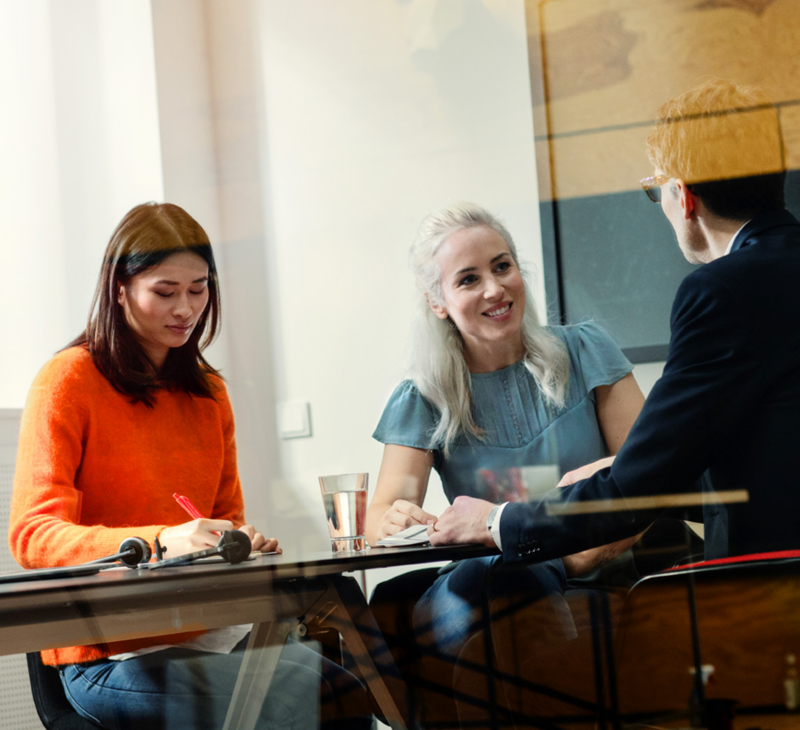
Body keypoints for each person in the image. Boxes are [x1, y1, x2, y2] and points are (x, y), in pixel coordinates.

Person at [8, 203, 371, 730]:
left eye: (198, 289)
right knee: (288, 698)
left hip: (209, 633)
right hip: (108, 658)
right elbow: (33, 535)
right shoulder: (67, 381)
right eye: (165, 291)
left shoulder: (208, 394)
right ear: (119, 287)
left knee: (342, 692)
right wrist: (163, 541)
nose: (185, 308)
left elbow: (225, 518)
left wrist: (241, 541)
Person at [429, 79, 799, 569]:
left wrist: (497, 522)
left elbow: (635, 491)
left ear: (683, 196)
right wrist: (627, 467)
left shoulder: (719, 292)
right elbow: (773, 458)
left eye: (656, 191)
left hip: (773, 594)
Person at [366, 203, 647, 726]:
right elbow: (382, 512)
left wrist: (570, 556)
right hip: (485, 579)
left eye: (502, 266)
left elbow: (649, 476)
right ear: (439, 302)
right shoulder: (423, 397)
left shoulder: (586, 351)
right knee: (500, 586)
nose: (495, 289)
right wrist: (395, 519)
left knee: (506, 597)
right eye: (469, 279)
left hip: (593, 567)